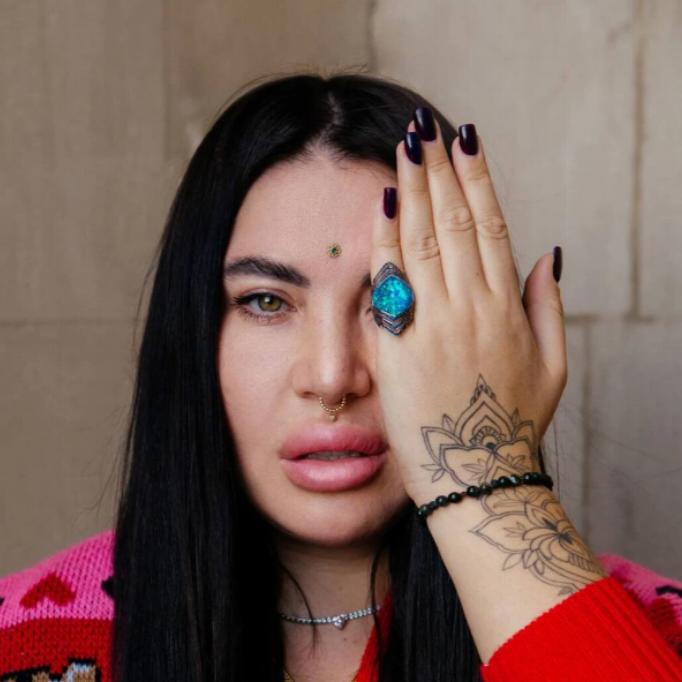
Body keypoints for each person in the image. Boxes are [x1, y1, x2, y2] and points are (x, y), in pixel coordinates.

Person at [1, 72, 681, 682]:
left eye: (393, 302)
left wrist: (491, 480)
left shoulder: (660, 632)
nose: (332, 378)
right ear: (192, 337)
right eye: (266, 302)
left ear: (486, 332)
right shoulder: (22, 637)